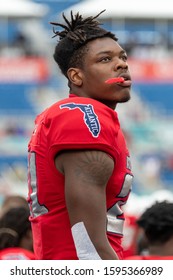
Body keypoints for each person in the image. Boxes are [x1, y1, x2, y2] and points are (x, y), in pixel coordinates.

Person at [27, 10, 133, 260]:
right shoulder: (84, 116)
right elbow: (88, 244)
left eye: (123, 56)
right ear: (76, 76)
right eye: (105, 59)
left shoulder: (88, 115)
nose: (122, 64)